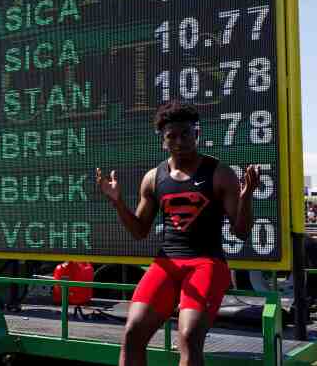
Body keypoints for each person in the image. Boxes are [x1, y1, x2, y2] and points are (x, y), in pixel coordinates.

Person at [95, 101, 259, 366]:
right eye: (171, 136)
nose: (179, 141)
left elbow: (241, 232)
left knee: (189, 336)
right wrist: (117, 203)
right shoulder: (153, 177)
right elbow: (139, 231)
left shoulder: (219, 173)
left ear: (197, 134)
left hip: (207, 263)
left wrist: (247, 197)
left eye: (185, 134)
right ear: (163, 140)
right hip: (167, 263)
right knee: (132, 333)